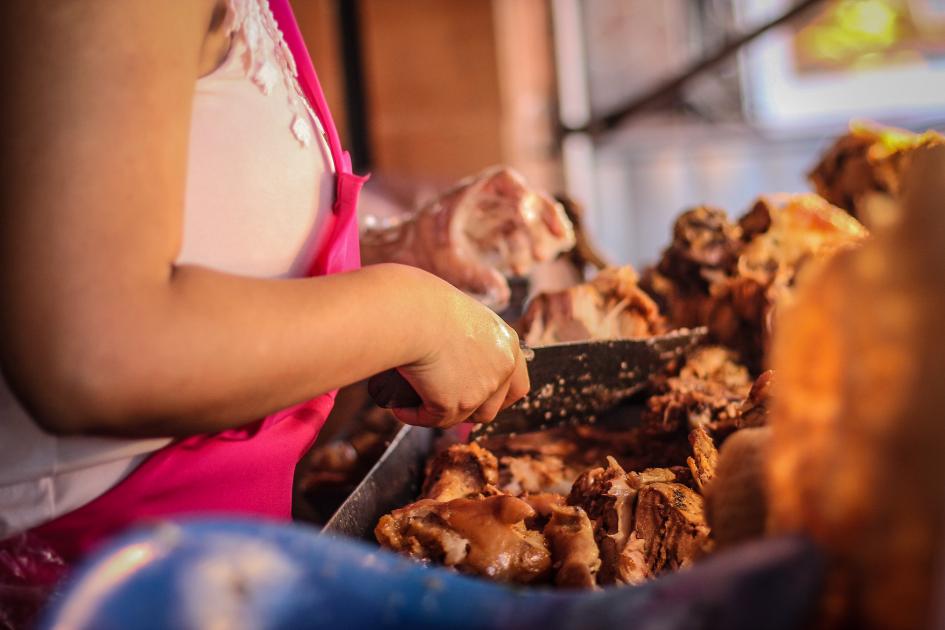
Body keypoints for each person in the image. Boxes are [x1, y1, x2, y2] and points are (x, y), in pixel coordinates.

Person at [0, 0, 529, 568]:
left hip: (212, 559)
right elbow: (95, 352)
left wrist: (387, 247)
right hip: (93, 574)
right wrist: (418, 316)